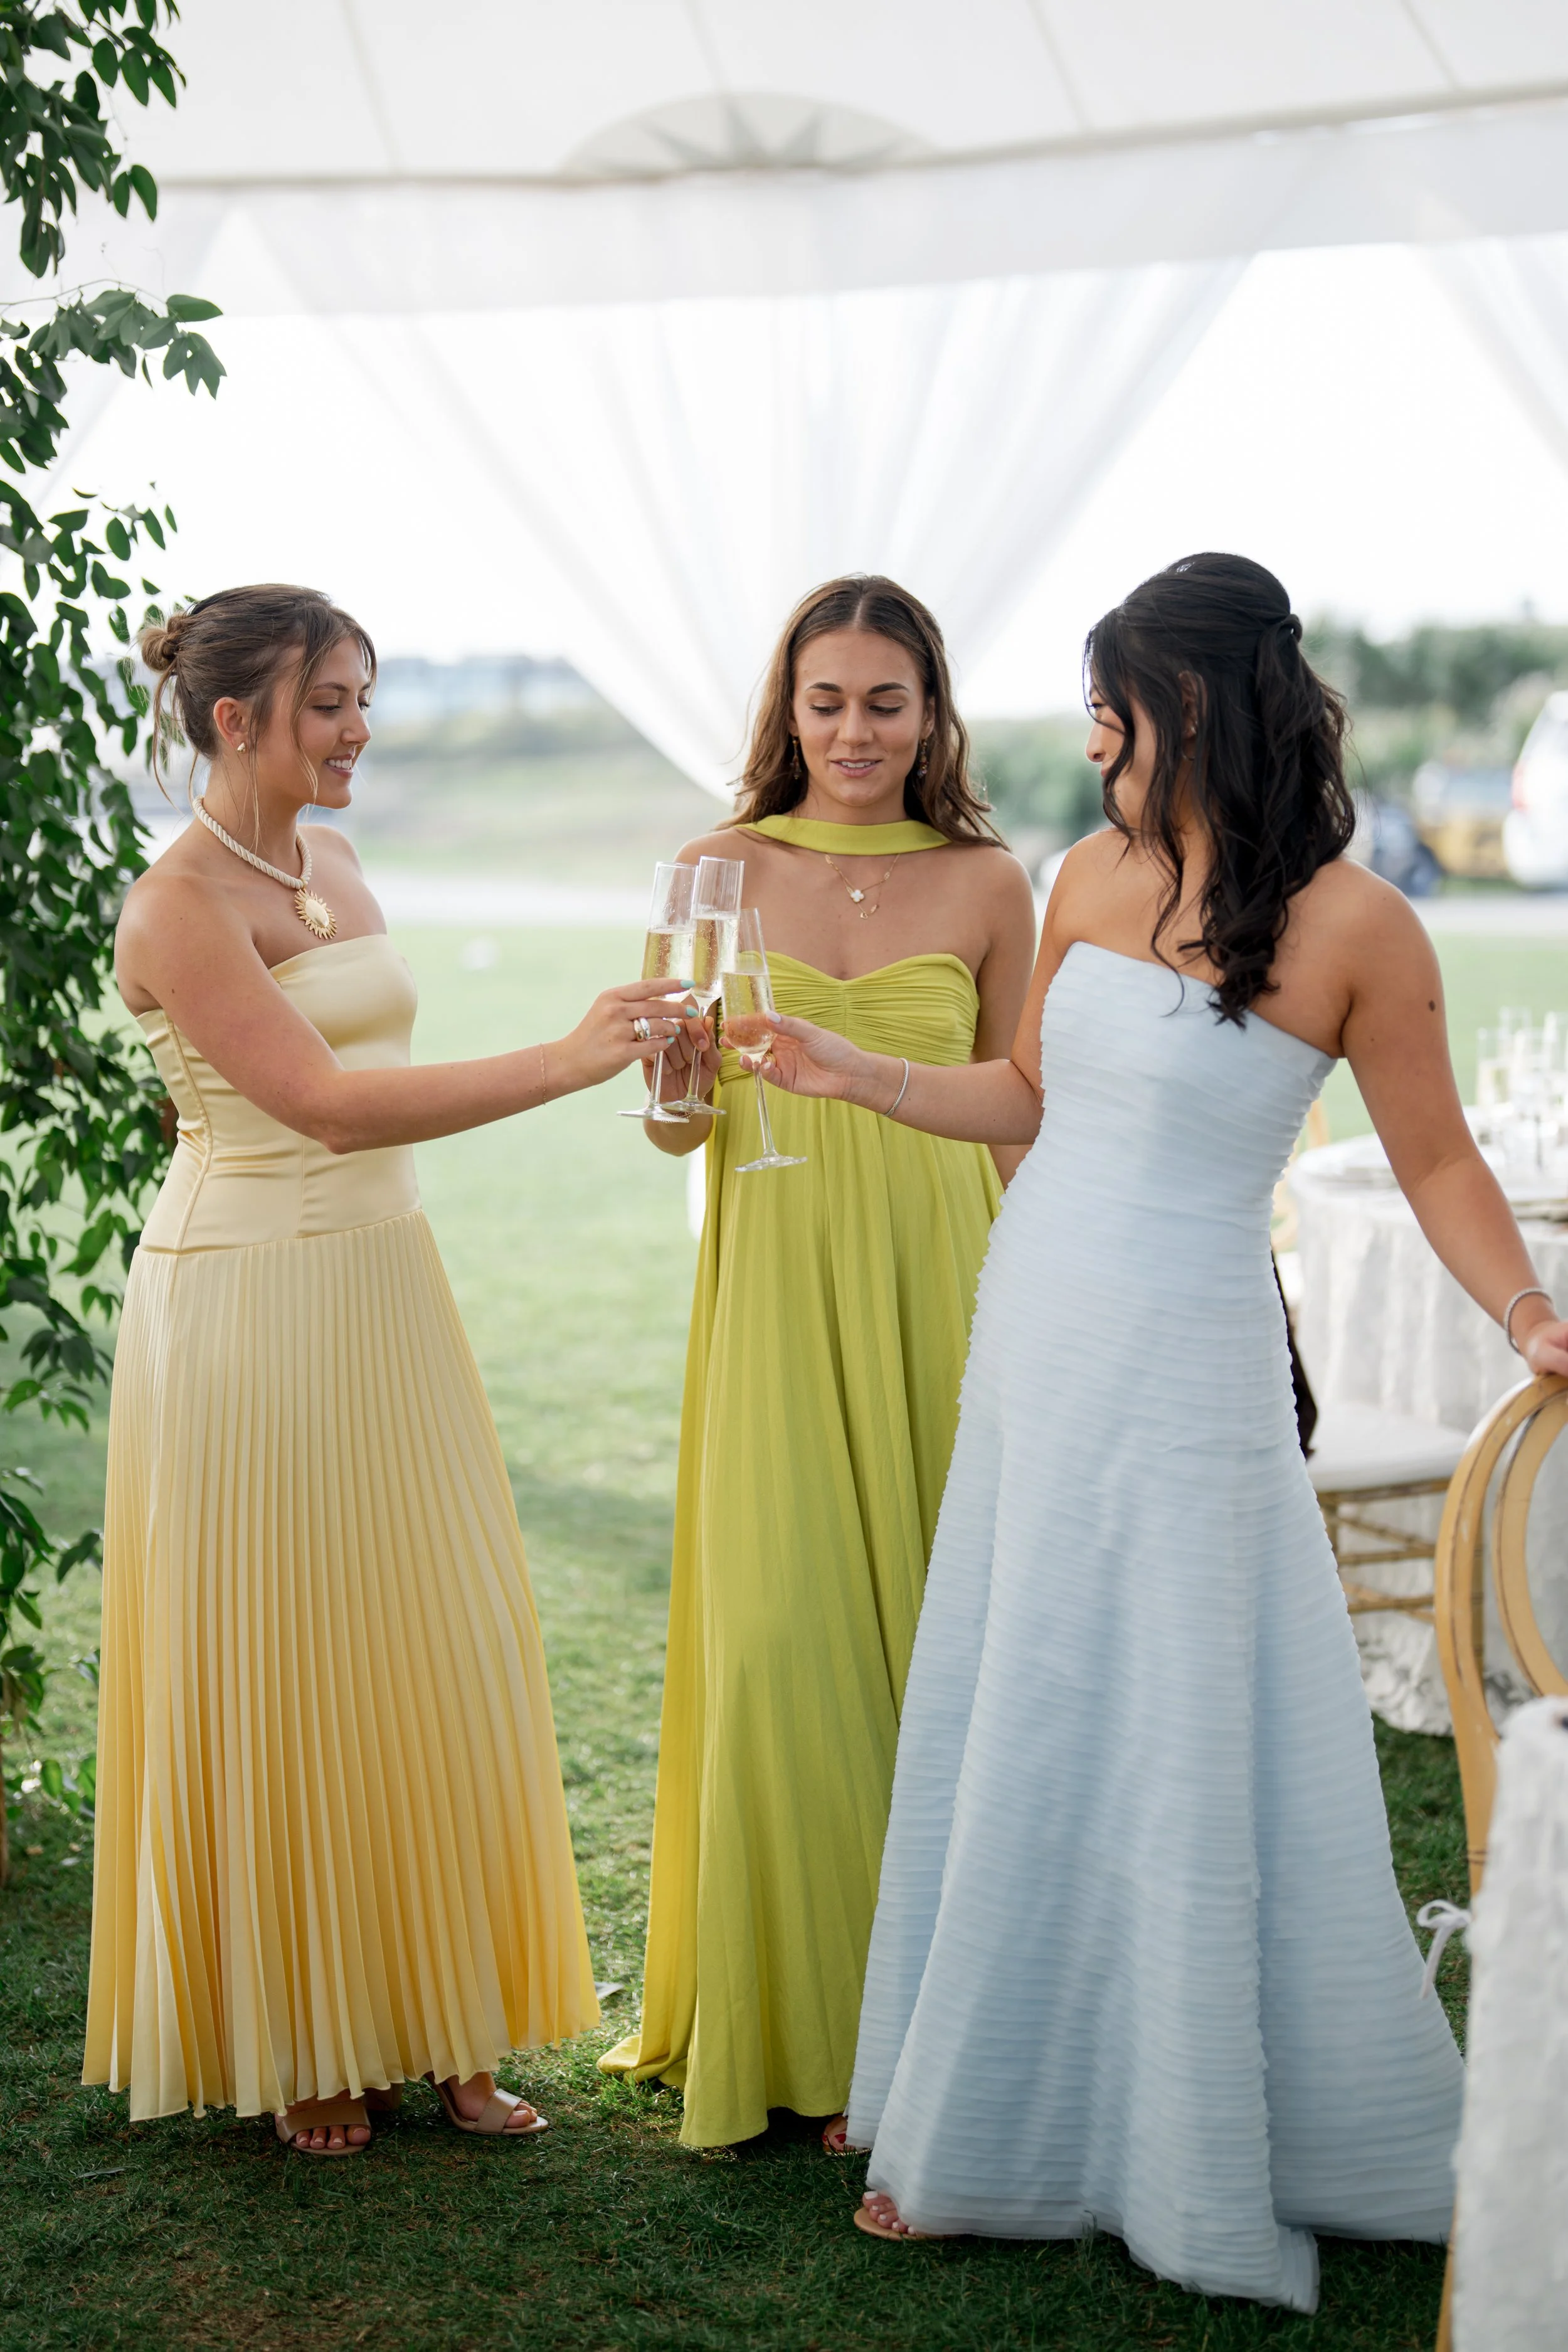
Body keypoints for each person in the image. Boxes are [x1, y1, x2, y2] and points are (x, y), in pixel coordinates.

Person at [755, 553, 1568, 2311]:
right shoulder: (1083, 871)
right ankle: (975, 2109)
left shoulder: (1359, 925)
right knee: (1023, 1684)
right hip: (1036, 1330)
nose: (1093, 732)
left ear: (1189, 705)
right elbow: (1031, 1094)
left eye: (1114, 702)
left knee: (1173, 1713)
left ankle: (1185, 2123)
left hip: (1192, 1357)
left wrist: (1523, 1311)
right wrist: (859, 1073)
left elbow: (1433, 1158)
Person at [85, 585, 697, 2156]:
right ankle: (310, 2036)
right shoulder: (173, 908)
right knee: (291, 1650)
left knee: (435, 1630)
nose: (363, 730)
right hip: (247, 1304)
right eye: (333, 704)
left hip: (382, 1282)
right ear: (237, 721)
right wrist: (574, 1057)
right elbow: (326, 1107)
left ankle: (449, 2023)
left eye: (367, 698)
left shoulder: (335, 862)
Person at [599, 576, 1036, 2150]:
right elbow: (671, 1126)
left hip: (944, 1285)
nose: (854, 732)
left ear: (932, 713)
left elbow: (1020, 1110)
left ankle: (928, 2023)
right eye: (826, 699)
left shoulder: (992, 880)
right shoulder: (710, 868)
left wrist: (1031, 1319)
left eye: (886, 701)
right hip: (778, 1282)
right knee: (782, 1635)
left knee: (936, 1641)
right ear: (786, 708)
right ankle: (798, 2020)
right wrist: (667, 1083)